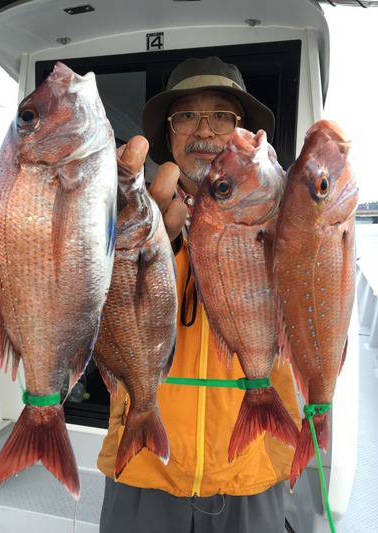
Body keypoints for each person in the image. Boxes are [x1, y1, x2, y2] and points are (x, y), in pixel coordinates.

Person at [98, 56, 300, 533]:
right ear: (169, 136)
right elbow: (90, 316)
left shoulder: (285, 219)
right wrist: (144, 250)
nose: (204, 129)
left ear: (241, 134)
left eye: (222, 116)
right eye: (186, 115)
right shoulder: (128, 219)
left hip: (250, 466)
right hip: (143, 464)